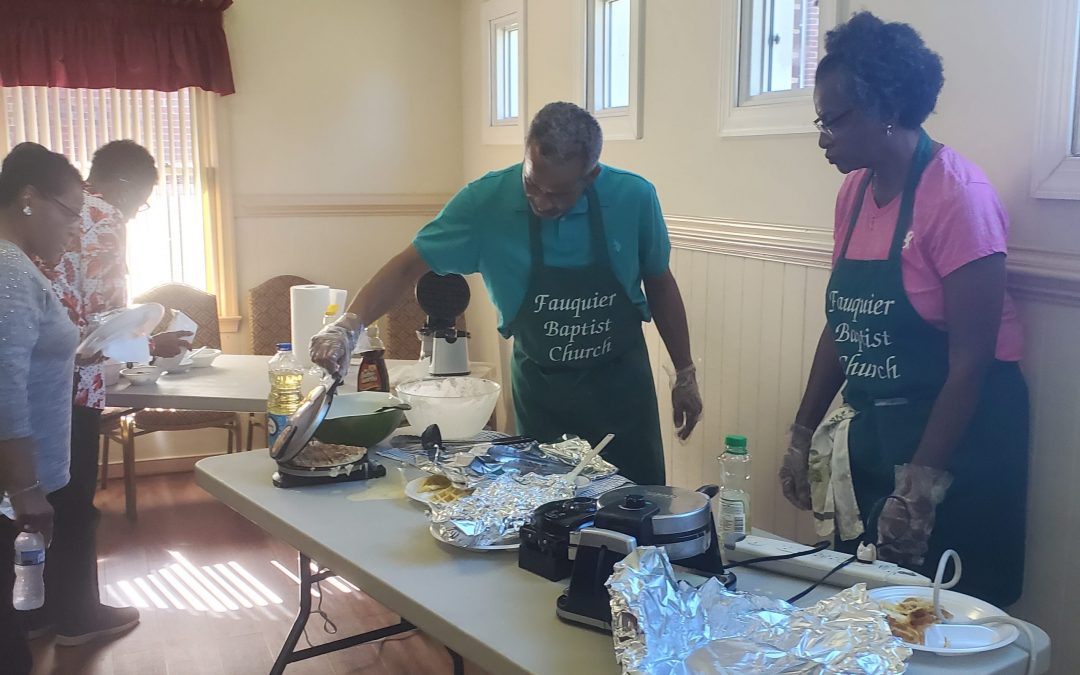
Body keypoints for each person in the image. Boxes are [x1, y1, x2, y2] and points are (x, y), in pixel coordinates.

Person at [312, 102, 702, 485]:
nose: (542, 202)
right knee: (545, 512)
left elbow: (660, 282)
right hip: (543, 398)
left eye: (559, 194)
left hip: (622, 397)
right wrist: (348, 325)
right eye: (532, 184)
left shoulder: (633, 198)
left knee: (637, 511)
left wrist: (684, 372)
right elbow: (406, 267)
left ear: (592, 175)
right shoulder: (485, 203)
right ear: (526, 155)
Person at [778, 12, 1028, 606]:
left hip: (961, 444)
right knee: (863, 610)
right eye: (820, 121)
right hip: (880, 437)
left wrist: (919, 489)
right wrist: (801, 432)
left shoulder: (959, 197)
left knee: (942, 617)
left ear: (886, 108)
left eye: (834, 120)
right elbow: (845, 324)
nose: (823, 137)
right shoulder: (853, 192)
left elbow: (970, 364)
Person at [27, 140, 188, 645]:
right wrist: (151, 342)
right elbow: (106, 318)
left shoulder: (37, 219)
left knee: (30, 502)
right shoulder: (105, 217)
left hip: (27, 385)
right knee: (74, 503)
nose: (136, 213)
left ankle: (34, 611)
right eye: (141, 203)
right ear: (125, 186)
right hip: (72, 386)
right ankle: (78, 615)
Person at [0, 142, 83, 674]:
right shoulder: (9, 268)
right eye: (70, 213)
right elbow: (3, 387)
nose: (74, 229)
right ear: (29, 198)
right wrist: (25, 488)